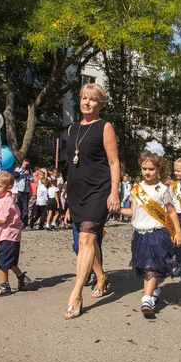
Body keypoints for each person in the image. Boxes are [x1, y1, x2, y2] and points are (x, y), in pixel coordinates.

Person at [64, 83, 120, 319]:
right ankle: (101, 275)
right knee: (87, 241)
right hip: (76, 192)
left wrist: (114, 192)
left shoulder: (105, 127)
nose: (87, 102)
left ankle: (76, 294)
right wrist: (67, 201)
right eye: (83, 98)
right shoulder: (71, 129)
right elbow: (70, 165)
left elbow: (114, 162)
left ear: (100, 103)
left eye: (93, 99)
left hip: (98, 190)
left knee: (87, 237)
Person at [119, 144, 181, 317]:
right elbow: (132, 212)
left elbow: (171, 212)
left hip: (158, 234)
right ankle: (153, 291)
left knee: (151, 266)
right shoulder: (137, 189)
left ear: (158, 169)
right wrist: (117, 209)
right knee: (145, 265)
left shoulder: (163, 189)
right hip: (140, 235)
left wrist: (178, 231)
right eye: (144, 168)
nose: (147, 172)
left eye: (151, 169)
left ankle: (146, 299)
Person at [0, 171, 32, 296]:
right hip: (11, 234)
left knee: (2, 260)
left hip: (8, 235)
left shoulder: (5, 200)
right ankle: (22, 278)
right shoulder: (5, 199)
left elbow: (2, 219)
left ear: (9, 187)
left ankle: (4, 285)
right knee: (10, 261)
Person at [14, 159, 33, 227]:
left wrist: (28, 175)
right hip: (18, 190)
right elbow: (16, 176)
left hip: (26, 191)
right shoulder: (18, 169)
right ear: (22, 163)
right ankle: (17, 221)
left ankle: (25, 223)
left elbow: (32, 179)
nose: (26, 166)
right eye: (25, 164)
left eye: (27, 164)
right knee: (18, 207)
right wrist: (23, 172)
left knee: (25, 208)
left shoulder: (29, 171)